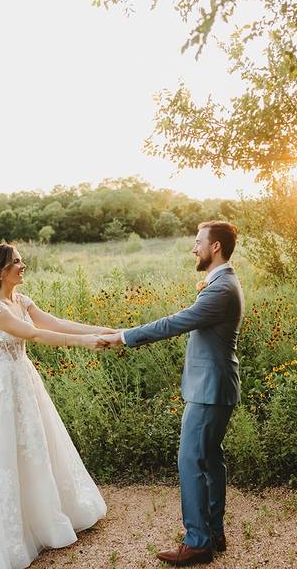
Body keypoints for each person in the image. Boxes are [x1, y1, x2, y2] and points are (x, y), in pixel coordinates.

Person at [0, 243, 110, 569]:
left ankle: (47, 516)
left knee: (37, 446)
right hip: (2, 387)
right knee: (8, 453)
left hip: (25, 381)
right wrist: (87, 344)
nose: (23, 265)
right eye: (17, 262)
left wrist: (103, 331)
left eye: (21, 260)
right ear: (2, 270)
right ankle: (14, 529)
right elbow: (35, 335)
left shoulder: (19, 300)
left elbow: (56, 323)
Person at [99, 221, 244, 566]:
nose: (194, 248)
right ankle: (213, 533)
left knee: (191, 460)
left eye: (198, 242)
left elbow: (174, 323)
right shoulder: (222, 283)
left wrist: (124, 336)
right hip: (213, 387)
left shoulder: (221, 289)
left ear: (216, 248)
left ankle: (197, 542)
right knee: (209, 460)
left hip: (210, 391)